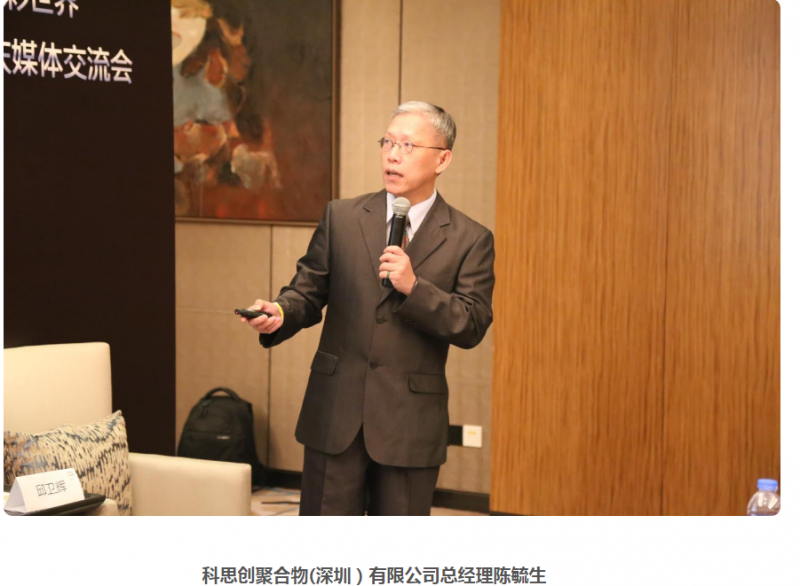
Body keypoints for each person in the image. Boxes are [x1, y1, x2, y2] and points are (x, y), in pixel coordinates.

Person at [242, 101, 495, 515]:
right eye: (388, 142)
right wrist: (281, 313)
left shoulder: (470, 238)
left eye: (408, 145)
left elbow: (472, 323)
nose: (393, 155)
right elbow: (307, 291)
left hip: (409, 422)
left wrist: (414, 288)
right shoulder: (342, 217)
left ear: (443, 159)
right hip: (335, 412)